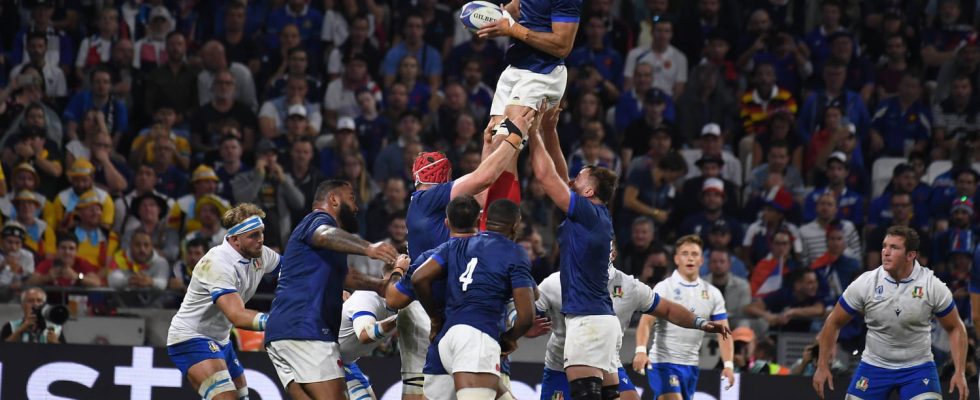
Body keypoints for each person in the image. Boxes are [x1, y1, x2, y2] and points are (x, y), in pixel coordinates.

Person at [537, 241, 728, 400]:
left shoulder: (628, 287)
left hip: (608, 363)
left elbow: (668, 309)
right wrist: (522, 327)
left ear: (612, 253)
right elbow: (528, 310)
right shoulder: (556, 283)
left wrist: (700, 323)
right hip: (561, 365)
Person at [263, 180, 398, 400]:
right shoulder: (319, 221)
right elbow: (323, 234)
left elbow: (345, 276)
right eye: (352, 198)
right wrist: (369, 248)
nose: (356, 208)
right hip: (306, 329)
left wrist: (379, 285)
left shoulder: (327, 247)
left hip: (281, 332)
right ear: (334, 199)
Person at [813, 226, 969, 400]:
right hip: (874, 365)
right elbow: (833, 321)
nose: (886, 252)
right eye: (884, 246)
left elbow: (956, 327)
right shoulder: (866, 283)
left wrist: (960, 371)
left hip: (918, 368)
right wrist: (822, 366)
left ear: (911, 255)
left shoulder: (932, 286)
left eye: (894, 248)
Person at [412, 198, 536, 400]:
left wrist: (435, 318)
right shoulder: (514, 252)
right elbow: (527, 317)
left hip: (446, 342)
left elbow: (419, 277)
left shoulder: (457, 245)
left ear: (484, 220)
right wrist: (510, 338)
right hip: (476, 340)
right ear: (516, 225)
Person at [166, 203, 281, 400]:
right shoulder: (218, 264)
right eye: (253, 235)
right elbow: (237, 315)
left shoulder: (260, 253)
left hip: (221, 339)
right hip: (191, 338)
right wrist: (282, 321)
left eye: (261, 233)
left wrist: (331, 290)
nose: (261, 240)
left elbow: (295, 272)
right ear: (235, 239)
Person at [633, 235, 734, 400]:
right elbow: (646, 322)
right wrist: (641, 351)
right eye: (685, 253)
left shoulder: (713, 293)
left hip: (691, 366)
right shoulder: (664, 288)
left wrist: (728, 365)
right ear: (676, 258)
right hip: (663, 363)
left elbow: (724, 332)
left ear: (701, 260)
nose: (690, 258)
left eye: (694, 254)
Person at [338, 259, 405, 400]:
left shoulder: (404, 304)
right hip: (327, 357)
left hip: (347, 361)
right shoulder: (367, 296)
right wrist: (401, 317)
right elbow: (366, 334)